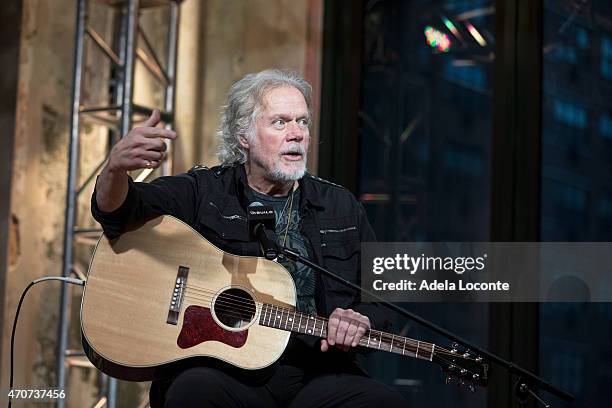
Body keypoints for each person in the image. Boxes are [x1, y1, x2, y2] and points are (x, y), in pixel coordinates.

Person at [92, 69, 407, 407]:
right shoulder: (204, 191)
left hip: (317, 370)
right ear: (243, 136)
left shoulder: (340, 205)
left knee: (381, 402)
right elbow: (119, 212)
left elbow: (385, 295)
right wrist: (114, 170)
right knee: (193, 391)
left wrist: (361, 318)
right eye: (280, 122)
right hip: (227, 370)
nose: (297, 134)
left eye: (303, 122)